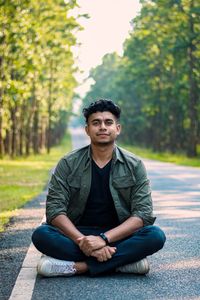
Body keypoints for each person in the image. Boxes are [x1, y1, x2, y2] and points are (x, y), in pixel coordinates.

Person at [32, 99, 166, 277]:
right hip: (78, 234)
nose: (102, 127)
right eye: (96, 123)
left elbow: (142, 214)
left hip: (118, 234)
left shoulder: (135, 165)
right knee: (41, 234)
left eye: (108, 122)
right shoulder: (68, 163)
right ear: (87, 130)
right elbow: (55, 210)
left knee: (155, 235)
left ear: (117, 128)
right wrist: (84, 242)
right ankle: (122, 264)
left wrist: (103, 239)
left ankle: (79, 267)